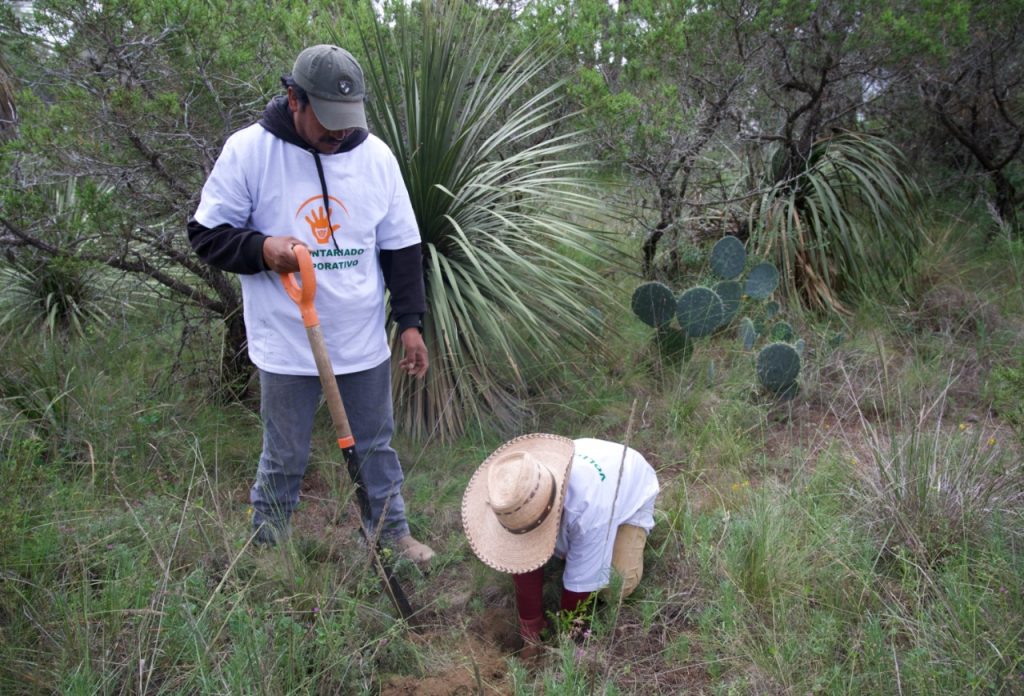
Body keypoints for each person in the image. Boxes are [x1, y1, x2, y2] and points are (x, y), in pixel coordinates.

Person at [187, 44, 434, 564]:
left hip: (361, 338)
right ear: (293, 99)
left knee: (375, 446)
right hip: (287, 341)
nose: (339, 133)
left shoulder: (376, 157)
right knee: (285, 454)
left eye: (347, 121)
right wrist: (261, 249)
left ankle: (391, 537)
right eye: (326, 121)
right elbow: (206, 234)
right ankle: (268, 547)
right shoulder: (249, 152)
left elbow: (401, 245)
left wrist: (409, 323)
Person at [461, 433, 660, 652]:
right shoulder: (520, 491)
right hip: (596, 460)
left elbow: (578, 593)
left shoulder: (588, 509)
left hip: (630, 491)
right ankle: (568, 549)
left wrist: (567, 638)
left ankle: (635, 530)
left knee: (615, 587)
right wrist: (531, 626)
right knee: (551, 548)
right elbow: (523, 557)